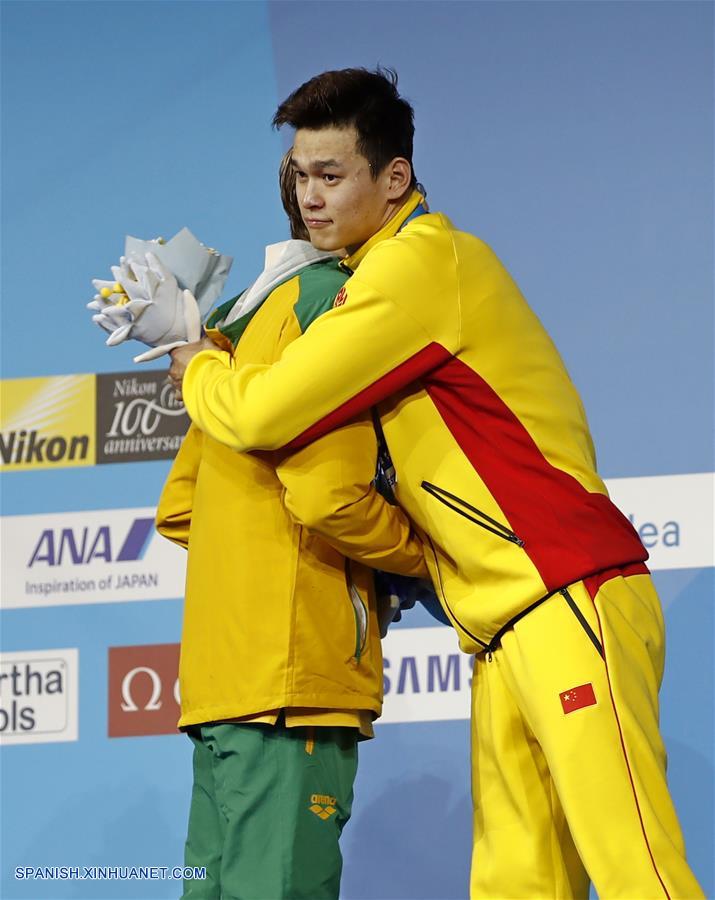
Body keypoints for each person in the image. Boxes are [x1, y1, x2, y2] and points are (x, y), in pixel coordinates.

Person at [168, 69, 704, 898]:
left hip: (565, 589)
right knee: (517, 883)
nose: (311, 198)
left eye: (332, 175)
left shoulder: (420, 263)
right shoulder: (368, 278)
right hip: (501, 622)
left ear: (395, 178)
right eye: (300, 176)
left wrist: (194, 359)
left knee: (637, 871)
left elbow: (263, 413)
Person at [157, 150, 428, 900]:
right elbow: (328, 498)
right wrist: (424, 558)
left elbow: (181, 509)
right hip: (292, 676)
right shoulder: (330, 306)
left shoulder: (227, 340)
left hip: (217, 681)